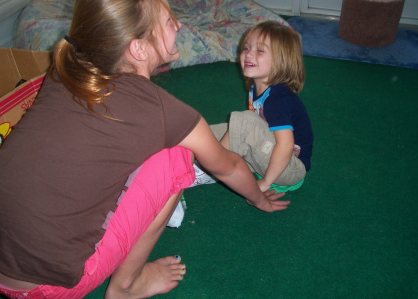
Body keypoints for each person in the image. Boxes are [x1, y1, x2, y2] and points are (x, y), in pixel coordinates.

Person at [0, 1, 290, 298]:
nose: (178, 25)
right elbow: (228, 166)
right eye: (168, 21)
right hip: (46, 287)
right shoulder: (162, 111)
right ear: (138, 49)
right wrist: (259, 198)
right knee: (177, 157)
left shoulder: (63, 68)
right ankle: (126, 286)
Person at [209, 21, 314, 193]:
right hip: (269, 154)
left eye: (259, 50)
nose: (249, 54)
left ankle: (208, 169)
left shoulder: (278, 98)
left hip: (290, 168)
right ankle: (198, 154)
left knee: (243, 121)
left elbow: (286, 145)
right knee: (218, 130)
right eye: (246, 48)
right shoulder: (256, 88)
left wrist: (265, 182)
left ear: (281, 60)